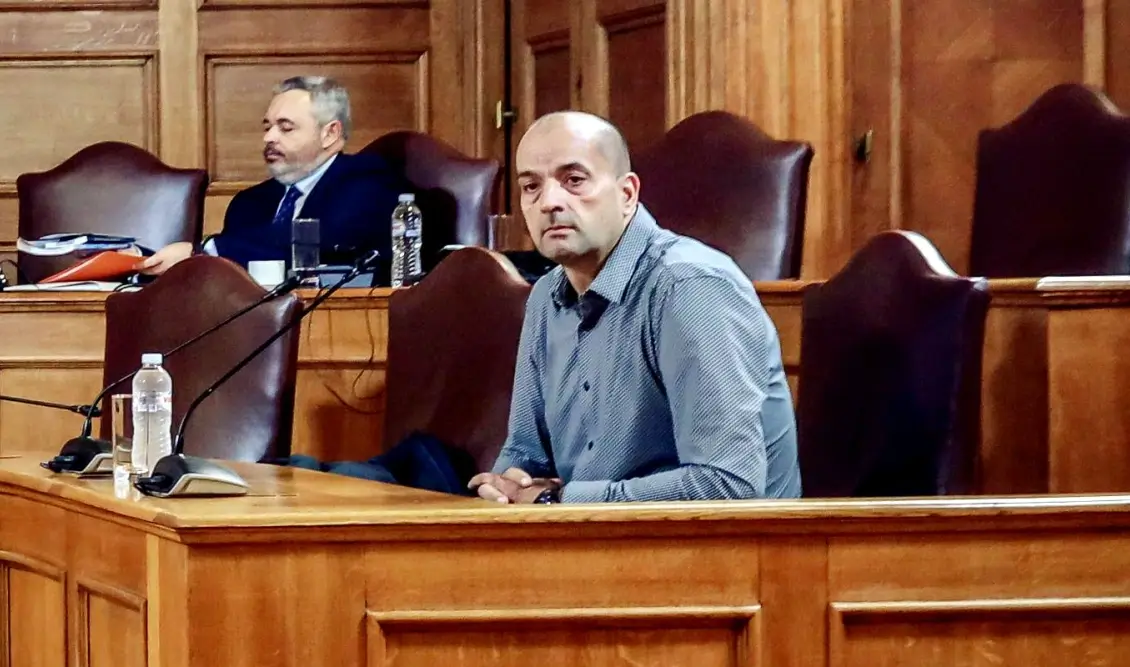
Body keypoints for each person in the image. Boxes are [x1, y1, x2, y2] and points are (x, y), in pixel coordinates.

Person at [469, 111, 801, 504]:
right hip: (588, 534)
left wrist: (560, 502)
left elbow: (729, 485)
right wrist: (506, 487)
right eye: (531, 187)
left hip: (726, 540)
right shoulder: (545, 297)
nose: (549, 202)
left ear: (627, 194)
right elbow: (525, 454)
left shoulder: (689, 287)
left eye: (574, 180)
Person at [139, 76, 402, 279]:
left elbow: (318, 242)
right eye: (267, 127)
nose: (269, 137)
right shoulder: (250, 202)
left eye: (286, 128)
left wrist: (205, 250)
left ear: (330, 133)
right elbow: (231, 270)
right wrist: (143, 259)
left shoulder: (367, 181)